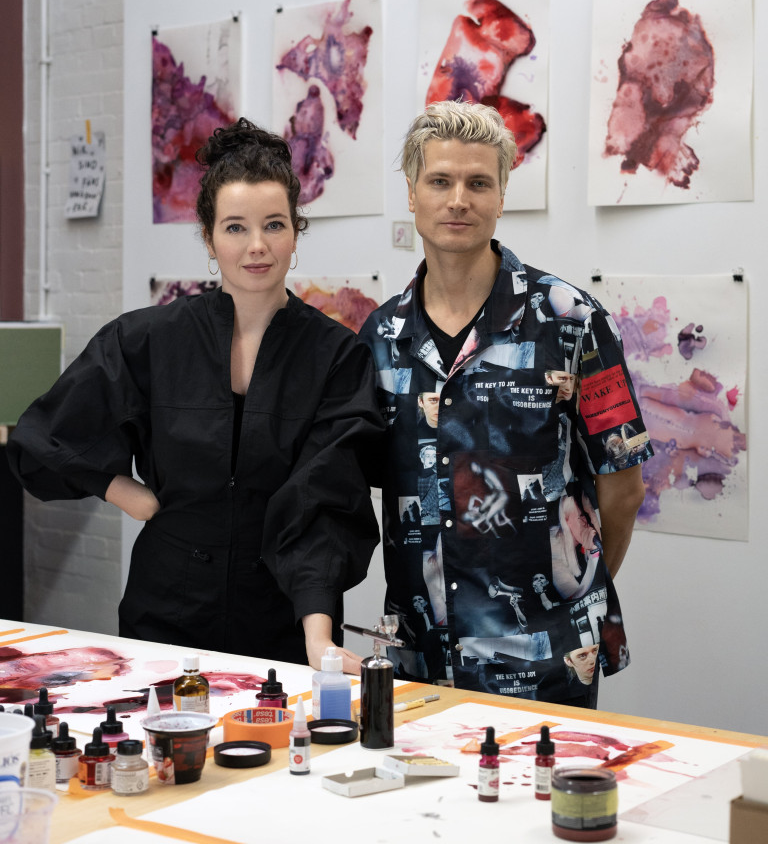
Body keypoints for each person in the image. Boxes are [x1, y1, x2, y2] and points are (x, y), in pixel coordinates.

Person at [9, 118, 383, 673]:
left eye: (274, 225)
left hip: (280, 620)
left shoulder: (336, 356)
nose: (256, 246)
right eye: (235, 228)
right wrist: (125, 492)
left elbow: (326, 508)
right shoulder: (147, 339)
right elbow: (43, 436)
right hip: (165, 611)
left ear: (295, 234)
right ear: (209, 238)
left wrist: (319, 639)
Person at [359, 100, 652, 706]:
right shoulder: (382, 337)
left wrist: (572, 600)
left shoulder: (572, 322)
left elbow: (624, 487)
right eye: (439, 181)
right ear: (412, 194)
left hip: (548, 659)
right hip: (420, 659)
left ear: (501, 195)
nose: (458, 199)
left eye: (477, 183)